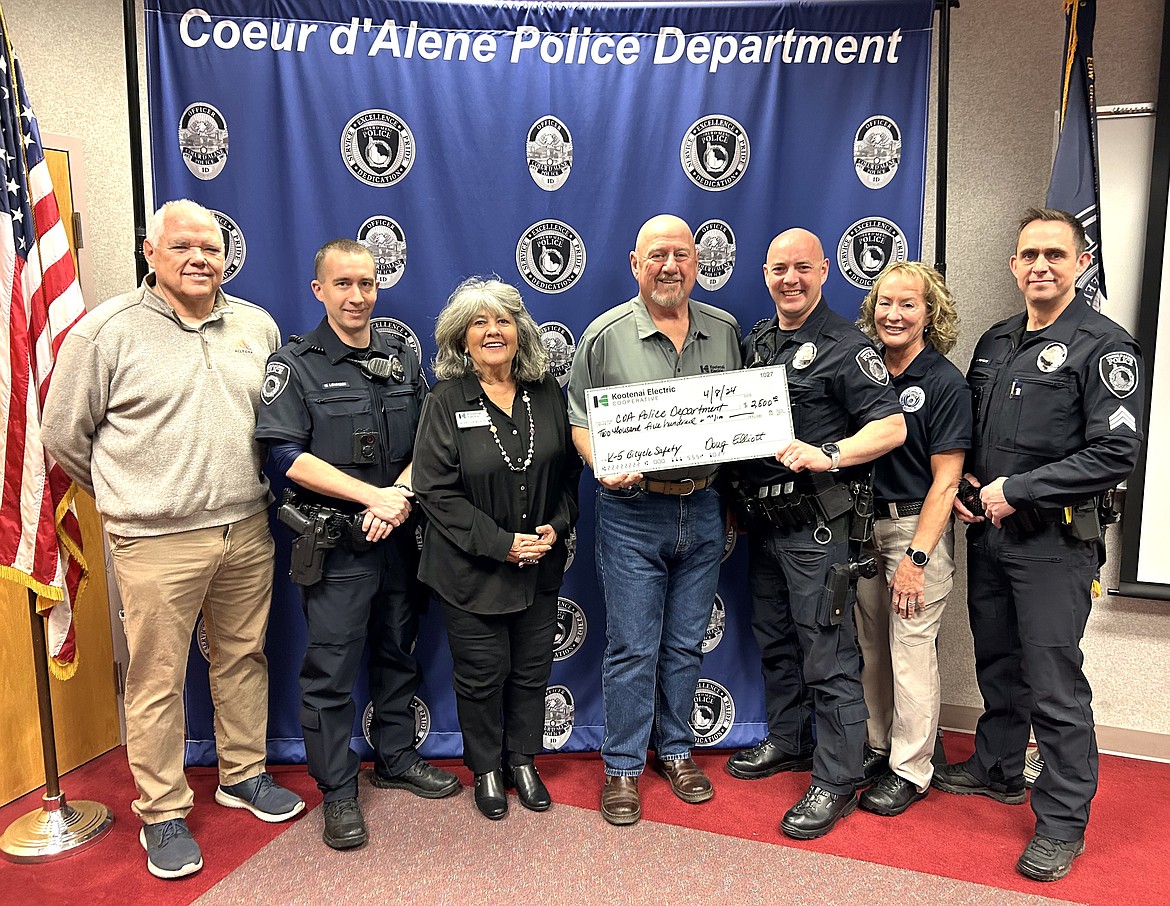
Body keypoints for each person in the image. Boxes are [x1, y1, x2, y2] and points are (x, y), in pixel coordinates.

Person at [41, 199, 304, 880]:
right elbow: (64, 437)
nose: (199, 259)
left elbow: (274, 427)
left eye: (210, 248)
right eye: (182, 246)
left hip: (247, 527)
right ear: (150, 253)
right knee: (156, 680)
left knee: (243, 657)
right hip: (154, 539)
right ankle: (161, 810)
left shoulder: (256, 325)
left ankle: (241, 774)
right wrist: (135, 499)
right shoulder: (106, 332)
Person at [934, 209, 1144, 882]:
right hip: (992, 538)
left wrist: (1019, 488)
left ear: (1081, 264)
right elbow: (971, 431)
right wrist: (968, 482)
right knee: (998, 661)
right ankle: (997, 767)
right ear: (1014, 266)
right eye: (1029, 255)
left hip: (1056, 544)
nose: (1041, 266)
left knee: (1054, 686)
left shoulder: (1103, 346)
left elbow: (1117, 450)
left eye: (1056, 254)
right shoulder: (995, 342)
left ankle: (1061, 820)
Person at [254, 239, 458, 852]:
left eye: (367, 284)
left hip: (397, 536)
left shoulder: (400, 356)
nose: (358, 296)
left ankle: (395, 756)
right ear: (319, 290)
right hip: (338, 543)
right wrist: (369, 499)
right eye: (343, 284)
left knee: (398, 652)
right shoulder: (295, 364)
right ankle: (338, 791)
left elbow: (430, 439)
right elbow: (283, 457)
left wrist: (394, 498)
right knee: (331, 672)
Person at [726, 228, 906, 840]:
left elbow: (890, 429)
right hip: (763, 525)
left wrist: (827, 453)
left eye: (802, 268)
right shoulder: (759, 342)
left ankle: (837, 775)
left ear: (825, 270)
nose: (790, 280)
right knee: (775, 641)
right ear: (765, 273)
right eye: (779, 269)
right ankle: (787, 739)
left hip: (818, 530)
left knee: (828, 654)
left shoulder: (846, 345)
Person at [567, 214, 741, 826]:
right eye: (658, 255)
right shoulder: (604, 335)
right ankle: (621, 766)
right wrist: (599, 465)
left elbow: (743, 417)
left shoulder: (724, 331)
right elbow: (579, 421)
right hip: (632, 512)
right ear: (635, 263)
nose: (671, 266)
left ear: (698, 262)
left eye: (682, 255)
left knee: (686, 641)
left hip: (704, 504)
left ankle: (675, 749)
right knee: (632, 646)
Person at [412, 278, 581, 820]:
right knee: (482, 673)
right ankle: (486, 767)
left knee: (532, 670)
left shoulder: (547, 392)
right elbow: (435, 490)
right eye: (480, 323)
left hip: (540, 564)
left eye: (503, 321)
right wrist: (502, 544)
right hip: (470, 569)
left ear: (520, 331)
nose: (493, 331)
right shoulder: (445, 400)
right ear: (462, 339)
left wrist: (557, 524)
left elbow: (567, 475)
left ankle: (522, 760)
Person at [852, 261, 971, 817]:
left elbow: (946, 480)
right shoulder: (865, 373)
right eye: (885, 304)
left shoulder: (944, 383)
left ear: (931, 313)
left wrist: (917, 559)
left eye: (908, 304)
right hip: (863, 527)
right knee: (872, 649)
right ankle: (880, 747)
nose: (894, 315)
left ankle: (911, 768)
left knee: (911, 651)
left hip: (911, 532)